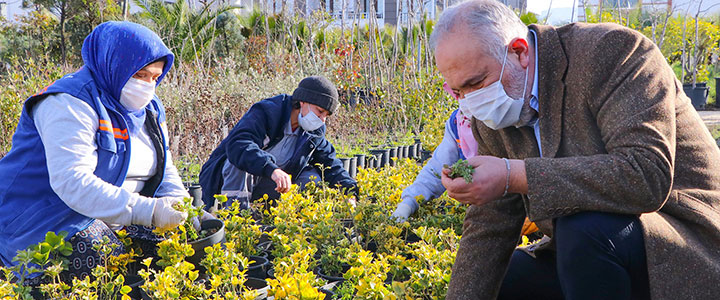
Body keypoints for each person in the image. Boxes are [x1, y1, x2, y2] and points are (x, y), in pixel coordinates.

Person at [430, 1, 720, 299]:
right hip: (588, 252)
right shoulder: (493, 115)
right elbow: (489, 227)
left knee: (583, 230)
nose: (470, 102)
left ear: (519, 52)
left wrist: (512, 175)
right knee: (506, 278)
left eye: (476, 83)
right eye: (458, 91)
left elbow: (645, 176)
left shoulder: (613, 52)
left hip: (684, 240)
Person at [0, 21, 206, 284]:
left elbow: (164, 166)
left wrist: (180, 202)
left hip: (108, 214)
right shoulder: (69, 102)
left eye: (156, 77)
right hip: (41, 220)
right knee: (101, 254)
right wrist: (150, 211)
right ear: (114, 63)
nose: (148, 86)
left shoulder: (150, 108)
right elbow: (72, 181)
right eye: (140, 75)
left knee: (181, 246)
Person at [199, 76, 357, 210]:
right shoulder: (269, 112)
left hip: (270, 185)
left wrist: (351, 192)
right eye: (319, 111)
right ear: (303, 102)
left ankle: (286, 224)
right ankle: (236, 221)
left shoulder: (313, 132)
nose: (322, 120)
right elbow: (238, 144)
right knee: (237, 163)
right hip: (226, 182)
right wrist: (271, 169)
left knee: (312, 178)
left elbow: (331, 164)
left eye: (326, 116)